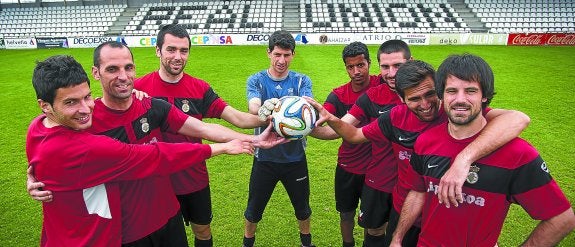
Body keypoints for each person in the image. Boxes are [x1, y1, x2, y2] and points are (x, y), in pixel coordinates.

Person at [27, 41, 285, 246]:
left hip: (168, 216)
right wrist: (40, 177)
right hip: (127, 233)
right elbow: (156, 156)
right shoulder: (85, 123)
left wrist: (254, 138)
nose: (123, 76)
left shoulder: (151, 105)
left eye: (128, 67)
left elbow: (204, 127)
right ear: (96, 73)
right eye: (112, 69)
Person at [305, 58, 530, 246]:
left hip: (446, 219)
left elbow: (518, 118)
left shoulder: (455, 112)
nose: (425, 104)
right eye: (414, 98)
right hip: (404, 211)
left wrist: (464, 158)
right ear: (401, 99)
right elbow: (354, 136)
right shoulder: (394, 117)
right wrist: (332, 119)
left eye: (430, 94)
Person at [391, 54, 575, 246]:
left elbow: (562, 219)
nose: (459, 99)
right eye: (452, 91)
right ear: (441, 95)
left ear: (484, 95)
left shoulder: (518, 154)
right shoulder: (425, 142)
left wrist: (463, 159)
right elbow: (418, 192)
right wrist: (397, 239)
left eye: (470, 91)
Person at [134, 24, 268, 247]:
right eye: (171, 49)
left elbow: (237, 118)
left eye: (184, 51)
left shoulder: (199, 88)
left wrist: (271, 118)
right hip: (158, 183)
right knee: (167, 238)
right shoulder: (139, 89)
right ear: (158, 50)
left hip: (193, 177)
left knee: (203, 231)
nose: (178, 57)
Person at [243, 30, 315, 247]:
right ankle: (247, 243)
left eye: (286, 55)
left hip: (295, 158)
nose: (281, 60)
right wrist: (262, 109)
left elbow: (307, 104)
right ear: (269, 53)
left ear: (293, 54)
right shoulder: (256, 80)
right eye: (277, 54)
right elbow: (253, 105)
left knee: (302, 209)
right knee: (254, 210)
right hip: (264, 159)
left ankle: (306, 243)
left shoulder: (302, 80)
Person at [321, 41, 382, 247]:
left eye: (361, 65)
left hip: (377, 169)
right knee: (346, 214)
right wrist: (300, 127)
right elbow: (324, 121)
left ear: (369, 63)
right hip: (347, 166)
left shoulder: (384, 84)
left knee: (372, 219)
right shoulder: (338, 95)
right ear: (345, 67)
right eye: (350, 67)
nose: (356, 71)